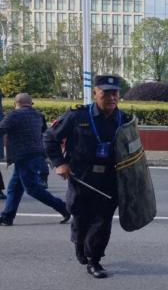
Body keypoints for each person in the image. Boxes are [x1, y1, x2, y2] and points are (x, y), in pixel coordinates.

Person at [44, 75, 131, 278]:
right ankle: (80, 243)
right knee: (81, 217)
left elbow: (134, 151)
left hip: (110, 178)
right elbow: (49, 137)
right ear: (95, 93)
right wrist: (59, 163)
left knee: (103, 220)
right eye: (106, 93)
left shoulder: (125, 120)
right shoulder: (77, 116)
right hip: (81, 177)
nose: (111, 98)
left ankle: (95, 260)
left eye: (115, 93)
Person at [0, 93, 70, 226]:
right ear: (31, 103)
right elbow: (45, 134)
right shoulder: (39, 115)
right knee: (14, 187)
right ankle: (7, 216)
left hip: (22, 156)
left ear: (15, 104)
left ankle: (64, 208)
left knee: (32, 189)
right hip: (36, 154)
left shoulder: (13, 115)